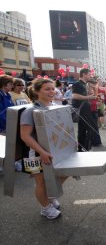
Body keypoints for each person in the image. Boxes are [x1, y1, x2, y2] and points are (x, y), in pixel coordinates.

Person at [20, 78, 69, 219]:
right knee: (40, 181)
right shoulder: (30, 111)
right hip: (33, 153)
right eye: (47, 89)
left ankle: (49, 195)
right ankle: (45, 207)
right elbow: (25, 136)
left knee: (63, 173)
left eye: (53, 88)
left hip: (55, 150)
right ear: (36, 91)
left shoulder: (54, 106)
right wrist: (41, 152)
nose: (52, 91)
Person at [72, 68, 97, 152]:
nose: (91, 76)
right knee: (88, 129)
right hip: (81, 110)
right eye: (89, 74)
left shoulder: (85, 84)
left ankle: (83, 148)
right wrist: (89, 97)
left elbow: (85, 96)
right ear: (84, 74)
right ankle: (84, 147)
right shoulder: (77, 84)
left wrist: (91, 94)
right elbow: (75, 96)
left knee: (83, 129)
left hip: (86, 109)